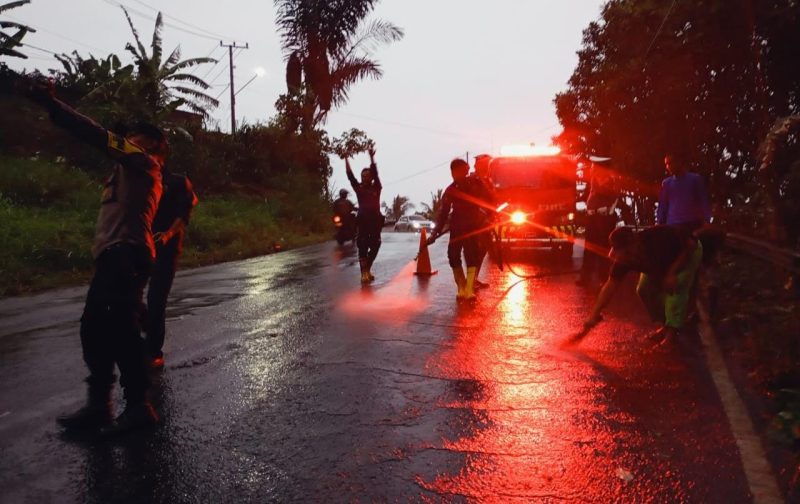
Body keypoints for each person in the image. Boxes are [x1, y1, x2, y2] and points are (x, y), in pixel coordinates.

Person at [26, 80, 165, 434]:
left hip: (126, 255)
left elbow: (97, 135)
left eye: (135, 135)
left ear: (150, 144)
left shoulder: (143, 162)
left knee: (120, 329)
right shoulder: (125, 169)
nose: (128, 139)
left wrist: (54, 106)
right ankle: (99, 404)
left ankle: (137, 407)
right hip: (112, 256)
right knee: (94, 329)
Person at [580, 225, 703, 345]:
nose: (624, 258)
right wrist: (594, 314)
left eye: (627, 252)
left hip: (686, 254)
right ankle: (666, 325)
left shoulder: (657, 238)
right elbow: (610, 285)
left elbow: (690, 246)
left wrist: (672, 273)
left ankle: (672, 334)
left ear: (635, 242)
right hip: (660, 265)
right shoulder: (623, 259)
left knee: (675, 288)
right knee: (644, 289)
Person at [144, 168, 199, 368]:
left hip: (166, 247)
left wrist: (167, 235)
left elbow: (184, 213)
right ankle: (143, 335)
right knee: (128, 295)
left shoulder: (177, 181)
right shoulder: (141, 175)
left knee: (156, 297)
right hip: (141, 242)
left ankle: (152, 352)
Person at [429, 158, 494, 301]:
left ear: (465, 170)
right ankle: (461, 286)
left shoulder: (477, 184)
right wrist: (435, 232)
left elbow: (490, 201)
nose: (455, 175)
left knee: (472, 257)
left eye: (459, 171)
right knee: (453, 256)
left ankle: (469, 289)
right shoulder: (450, 190)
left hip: (473, 227)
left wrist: (490, 216)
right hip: (456, 228)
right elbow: (443, 213)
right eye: (453, 172)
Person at [577, 158, 619, 287]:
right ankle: (586, 277)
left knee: (602, 248)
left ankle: (604, 277)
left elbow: (612, 196)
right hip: (593, 217)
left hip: (603, 218)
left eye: (594, 167)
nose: (591, 168)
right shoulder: (594, 181)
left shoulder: (609, 181)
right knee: (589, 247)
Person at [344, 148, 383, 283]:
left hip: (375, 222)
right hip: (362, 221)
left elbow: (376, 173)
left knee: (376, 245)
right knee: (362, 245)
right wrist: (346, 158)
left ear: (371, 178)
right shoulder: (359, 188)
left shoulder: (376, 187)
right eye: (363, 176)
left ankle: (368, 268)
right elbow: (350, 176)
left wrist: (371, 158)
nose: (365, 178)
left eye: (367, 176)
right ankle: (363, 273)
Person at [656, 154, 712, 232]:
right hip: (672, 224)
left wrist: (707, 220)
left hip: (692, 223)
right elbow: (663, 205)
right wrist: (659, 222)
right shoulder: (666, 183)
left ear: (679, 162)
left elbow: (704, 201)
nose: (668, 167)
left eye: (670, 163)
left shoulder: (695, 179)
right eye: (666, 164)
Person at [471, 154, 496, 289]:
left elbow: (492, 200)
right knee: (474, 252)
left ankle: (474, 278)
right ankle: (470, 281)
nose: (486, 167)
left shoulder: (488, 181)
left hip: (486, 223)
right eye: (482, 165)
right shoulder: (472, 181)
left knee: (482, 251)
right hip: (475, 224)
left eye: (487, 165)